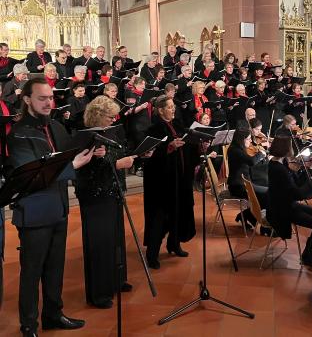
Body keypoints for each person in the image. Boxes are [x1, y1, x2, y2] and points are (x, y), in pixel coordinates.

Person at [5, 77, 95, 336]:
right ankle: (29, 325)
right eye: (42, 98)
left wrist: (91, 150)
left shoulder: (55, 126)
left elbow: (70, 151)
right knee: (32, 272)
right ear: (27, 100)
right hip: (34, 213)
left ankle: (53, 314)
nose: (48, 102)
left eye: (50, 97)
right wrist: (74, 165)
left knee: (56, 268)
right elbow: (33, 175)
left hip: (58, 208)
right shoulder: (19, 133)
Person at [75, 96, 138, 308]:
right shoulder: (86, 137)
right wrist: (118, 163)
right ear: (98, 115)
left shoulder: (109, 131)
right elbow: (87, 171)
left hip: (112, 191)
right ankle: (99, 293)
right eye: (110, 116)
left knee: (115, 240)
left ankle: (116, 281)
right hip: (95, 196)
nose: (114, 120)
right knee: (99, 245)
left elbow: (121, 151)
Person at [142, 95, 198, 269]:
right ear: (160, 110)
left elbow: (188, 144)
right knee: (160, 217)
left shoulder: (178, 125)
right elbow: (149, 156)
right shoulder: (154, 129)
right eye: (170, 107)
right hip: (162, 183)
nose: (173, 109)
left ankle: (174, 244)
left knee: (178, 213)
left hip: (180, 179)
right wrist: (169, 147)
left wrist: (199, 144)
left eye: (174, 106)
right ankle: (152, 254)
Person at [267, 136, 312, 265]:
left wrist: (305, 167)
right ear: (285, 149)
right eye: (290, 146)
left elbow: (294, 181)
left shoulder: (278, 162)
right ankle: (310, 257)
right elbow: (297, 194)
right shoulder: (279, 169)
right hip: (282, 211)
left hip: (287, 204)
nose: (292, 149)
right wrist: (311, 181)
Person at [227, 128, 267, 230]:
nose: (250, 141)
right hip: (238, 186)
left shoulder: (239, 149)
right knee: (267, 194)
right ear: (242, 139)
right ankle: (249, 216)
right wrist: (261, 154)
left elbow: (249, 163)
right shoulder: (235, 150)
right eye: (248, 139)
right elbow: (251, 162)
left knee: (266, 191)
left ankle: (246, 215)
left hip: (244, 183)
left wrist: (263, 159)